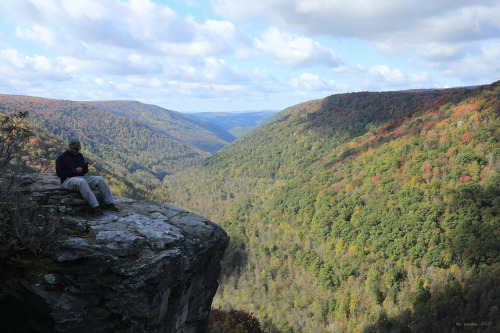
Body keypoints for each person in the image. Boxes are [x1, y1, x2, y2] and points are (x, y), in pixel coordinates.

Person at [56, 138, 118, 216]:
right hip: (67, 180)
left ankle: (109, 203)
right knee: (81, 182)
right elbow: (59, 173)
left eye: (79, 149)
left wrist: (85, 168)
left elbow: (84, 171)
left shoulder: (79, 155)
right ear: (70, 148)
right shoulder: (61, 158)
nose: (78, 151)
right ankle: (95, 207)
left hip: (80, 178)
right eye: (76, 149)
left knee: (99, 179)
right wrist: (74, 171)